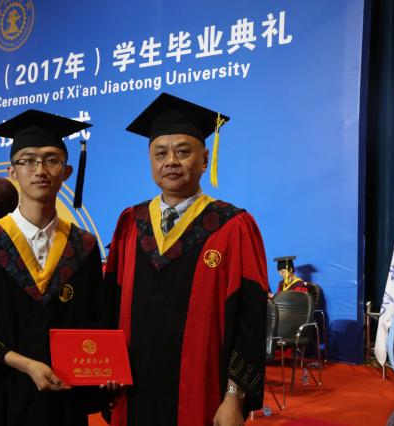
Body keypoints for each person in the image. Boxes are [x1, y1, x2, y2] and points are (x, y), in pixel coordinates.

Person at [104, 93, 268, 426]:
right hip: (133, 392)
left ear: (205, 160)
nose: (171, 162)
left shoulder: (232, 226)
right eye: (160, 153)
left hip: (202, 394)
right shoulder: (131, 223)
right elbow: (109, 305)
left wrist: (234, 397)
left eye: (182, 152)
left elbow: (251, 321)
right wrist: (105, 369)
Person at [0, 109, 108, 426]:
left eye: (51, 160)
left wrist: (105, 367)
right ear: (12, 172)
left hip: (64, 401)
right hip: (2, 397)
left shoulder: (82, 246)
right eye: (28, 160)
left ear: (66, 172)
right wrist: (25, 364)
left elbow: (96, 321)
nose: (40, 170)